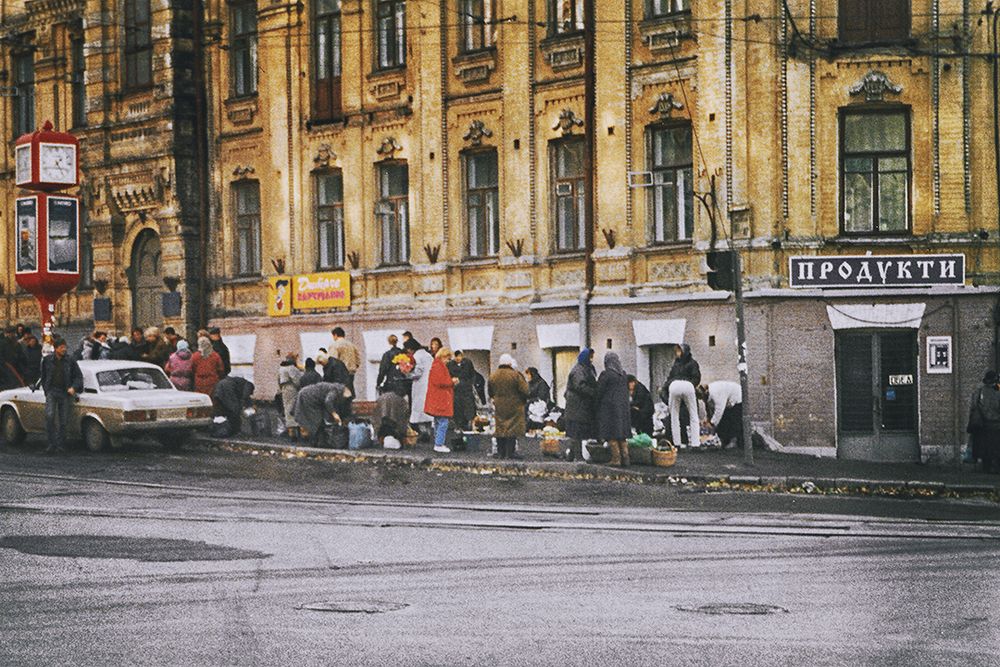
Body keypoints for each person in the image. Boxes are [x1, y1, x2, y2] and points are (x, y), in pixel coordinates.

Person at [40, 337, 83, 454]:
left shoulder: (70, 360)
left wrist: (73, 387)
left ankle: (61, 445)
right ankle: (51, 444)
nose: (64, 349)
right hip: (52, 391)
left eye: (65, 347)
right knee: (49, 416)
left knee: (63, 420)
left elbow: (78, 377)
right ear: (55, 348)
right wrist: (46, 390)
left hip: (65, 392)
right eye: (61, 347)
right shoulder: (48, 360)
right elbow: (43, 376)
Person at [489, 354, 529, 460]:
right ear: (510, 363)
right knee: (512, 428)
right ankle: (510, 453)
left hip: (499, 404)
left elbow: (490, 391)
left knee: (500, 427)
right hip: (514, 404)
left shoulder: (493, 375)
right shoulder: (515, 375)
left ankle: (500, 452)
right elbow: (525, 390)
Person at [660, 344, 701, 448]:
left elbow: (669, 378)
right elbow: (697, 378)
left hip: (674, 386)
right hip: (688, 386)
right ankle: (696, 444)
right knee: (693, 415)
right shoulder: (693, 363)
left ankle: (677, 443)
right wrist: (690, 384)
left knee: (674, 415)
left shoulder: (676, 365)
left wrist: (666, 388)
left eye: (678, 351)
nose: (677, 353)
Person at [596, 352, 632, 466]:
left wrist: (596, 404)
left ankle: (616, 459)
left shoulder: (606, 375)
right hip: (623, 408)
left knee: (611, 434)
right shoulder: (624, 375)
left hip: (609, 408)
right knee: (622, 434)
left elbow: (599, 391)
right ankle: (626, 458)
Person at [563, 348, 597, 461]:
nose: (592, 359)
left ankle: (571, 454)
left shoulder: (585, 368)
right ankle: (578, 456)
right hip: (577, 406)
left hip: (580, 405)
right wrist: (594, 392)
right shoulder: (579, 370)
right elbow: (580, 386)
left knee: (576, 432)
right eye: (590, 357)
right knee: (577, 432)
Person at [293, 381, 348, 447]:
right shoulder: (335, 391)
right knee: (315, 421)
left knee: (313, 421)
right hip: (309, 399)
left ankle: (314, 442)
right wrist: (334, 414)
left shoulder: (334, 388)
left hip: (306, 396)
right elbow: (328, 401)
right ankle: (310, 442)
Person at [424, 347, 457, 453]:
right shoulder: (438, 366)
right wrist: (452, 381)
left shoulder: (436, 365)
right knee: (443, 422)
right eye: (448, 358)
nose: (448, 361)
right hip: (440, 399)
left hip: (437, 398)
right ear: (443, 356)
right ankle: (439, 444)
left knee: (438, 422)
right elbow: (441, 382)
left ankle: (438, 442)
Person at [697, 381, 744, 449]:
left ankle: (733, 441)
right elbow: (708, 408)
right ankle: (725, 440)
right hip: (728, 399)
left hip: (737, 397)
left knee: (734, 420)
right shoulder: (708, 393)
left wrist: (712, 423)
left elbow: (719, 410)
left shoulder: (716, 393)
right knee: (724, 420)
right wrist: (709, 419)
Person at [404, 338, 434, 440]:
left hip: (421, 385)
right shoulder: (428, 355)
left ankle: (423, 432)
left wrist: (407, 374)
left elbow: (418, 372)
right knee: (428, 410)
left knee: (419, 409)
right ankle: (428, 431)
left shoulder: (417, 356)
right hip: (430, 384)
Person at [971, 371, 1000, 474]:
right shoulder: (998, 392)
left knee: (984, 449)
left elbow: (974, 407)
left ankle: (985, 468)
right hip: (996, 425)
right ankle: (995, 468)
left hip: (983, 425)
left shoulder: (979, 391)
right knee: (996, 449)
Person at [448, 350, 478, 434]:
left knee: (468, 408)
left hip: (466, 391)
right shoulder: (450, 364)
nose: (458, 358)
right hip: (455, 391)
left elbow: (472, 376)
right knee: (457, 409)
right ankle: (458, 425)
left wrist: (462, 382)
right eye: (456, 356)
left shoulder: (468, 363)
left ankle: (468, 424)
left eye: (459, 355)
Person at [374, 381, 410, 447]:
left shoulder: (381, 398)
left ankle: (379, 441)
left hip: (382, 421)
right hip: (394, 426)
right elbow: (403, 418)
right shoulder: (401, 400)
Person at [329, 327, 361, 397]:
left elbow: (332, 361)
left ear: (335, 335)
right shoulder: (352, 345)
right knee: (349, 392)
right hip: (351, 372)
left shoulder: (334, 345)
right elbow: (358, 360)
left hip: (339, 374)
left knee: (340, 394)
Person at [279, 352, 304, 441]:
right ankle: (296, 433)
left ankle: (290, 432)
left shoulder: (281, 368)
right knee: (294, 408)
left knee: (287, 409)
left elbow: (278, 380)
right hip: (292, 389)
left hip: (284, 389)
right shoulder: (292, 368)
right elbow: (297, 381)